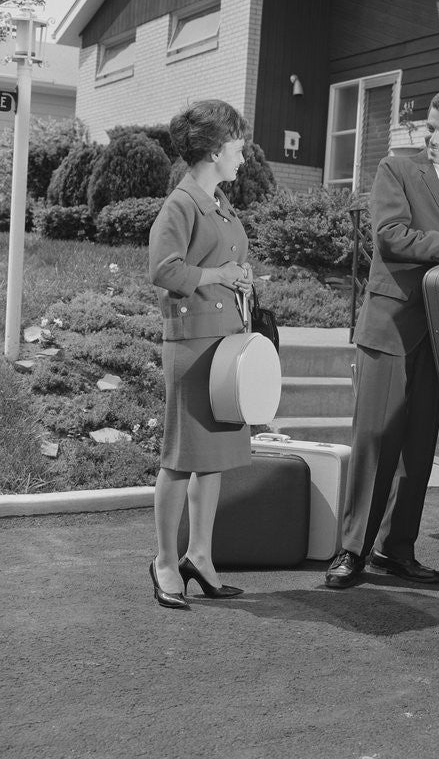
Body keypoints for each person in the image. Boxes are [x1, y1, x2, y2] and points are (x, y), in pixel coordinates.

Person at [326, 90, 439, 589]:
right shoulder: (395, 170)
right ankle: (351, 550)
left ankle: (396, 550)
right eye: (430, 128)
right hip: (389, 328)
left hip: (438, 335)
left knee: (418, 448)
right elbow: (391, 237)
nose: (434, 138)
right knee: (373, 442)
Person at [148, 99, 254, 609]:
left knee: (210, 461)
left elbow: (228, 261)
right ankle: (166, 563)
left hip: (223, 342)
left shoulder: (219, 202)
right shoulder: (182, 203)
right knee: (180, 459)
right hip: (192, 346)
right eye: (238, 147)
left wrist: (243, 279)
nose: (244, 157)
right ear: (214, 150)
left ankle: (200, 557)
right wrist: (218, 276)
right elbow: (164, 271)